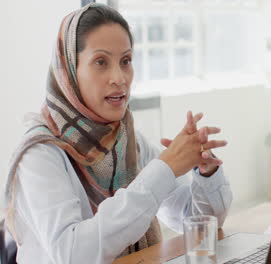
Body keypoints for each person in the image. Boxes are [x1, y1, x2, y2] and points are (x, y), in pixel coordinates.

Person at [3, 3, 232, 263]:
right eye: (101, 62)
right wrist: (165, 169)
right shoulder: (40, 153)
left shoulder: (128, 142)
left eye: (126, 61)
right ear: (69, 71)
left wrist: (206, 172)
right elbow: (73, 254)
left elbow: (197, 223)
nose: (119, 77)